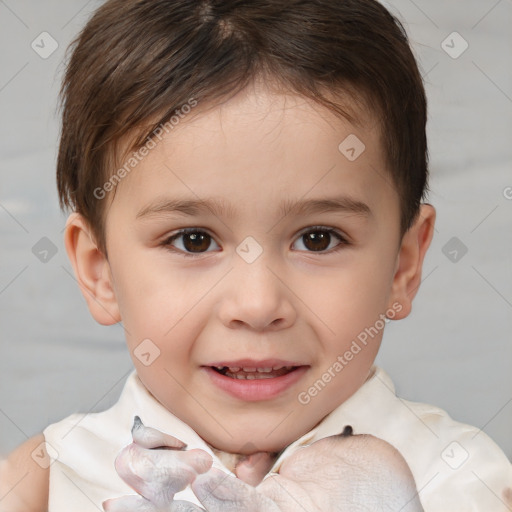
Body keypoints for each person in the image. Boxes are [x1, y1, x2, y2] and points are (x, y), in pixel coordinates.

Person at [1, 0, 511, 510]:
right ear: (101, 272)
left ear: (403, 266)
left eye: (318, 238)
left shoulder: (466, 484)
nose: (258, 303)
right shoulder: (43, 482)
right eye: (193, 240)